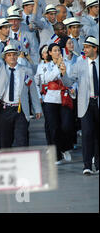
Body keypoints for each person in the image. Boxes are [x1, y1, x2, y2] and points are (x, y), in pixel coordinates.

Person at [0, 41, 42, 148]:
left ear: (17, 56)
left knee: (22, 139)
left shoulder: (26, 70)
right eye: (9, 55)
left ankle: (22, 162)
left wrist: (37, 109)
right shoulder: (0, 68)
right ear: (5, 58)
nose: (12, 57)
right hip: (5, 110)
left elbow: (33, 91)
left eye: (14, 54)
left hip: (20, 109)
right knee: (5, 140)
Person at [62, 36, 99, 175]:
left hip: (98, 101)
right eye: (84, 47)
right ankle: (87, 165)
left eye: (87, 47)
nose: (84, 50)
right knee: (88, 133)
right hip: (86, 103)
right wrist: (63, 73)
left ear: (95, 48)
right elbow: (68, 82)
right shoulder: (80, 64)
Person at [41, 43, 75, 164]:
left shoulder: (67, 64)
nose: (57, 53)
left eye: (58, 50)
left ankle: (65, 147)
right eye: (54, 51)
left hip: (64, 98)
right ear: (50, 53)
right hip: (50, 99)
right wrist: (57, 67)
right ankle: (57, 155)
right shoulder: (45, 65)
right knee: (53, 127)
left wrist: (63, 73)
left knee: (66, 126)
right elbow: (47, 79)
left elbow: (68, 82)